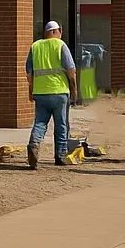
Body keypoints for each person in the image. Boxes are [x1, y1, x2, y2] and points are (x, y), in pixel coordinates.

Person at [25, 20, 79, 169]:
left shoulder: (35, 46)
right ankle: (60, 155)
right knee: (61, 124)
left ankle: (34, 143)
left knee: (40, 122)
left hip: (41, 93)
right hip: (59, 92)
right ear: (56, 31)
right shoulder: (60, 45)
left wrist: (31, 90)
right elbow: (71, 70)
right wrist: (74, 89)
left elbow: (29, 72)